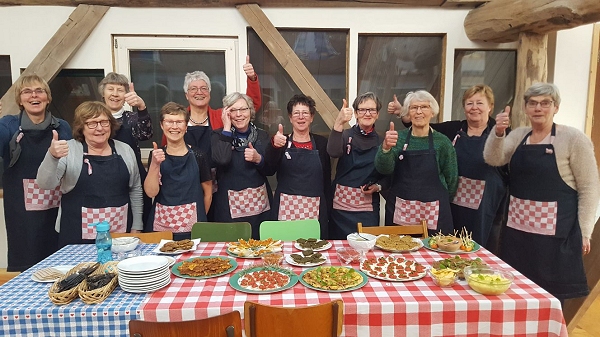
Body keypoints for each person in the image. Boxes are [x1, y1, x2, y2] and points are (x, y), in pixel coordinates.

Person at [483, 82, 600, 301]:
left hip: (554, 238)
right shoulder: (518, 136)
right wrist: (498, 133)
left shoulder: (574, 139)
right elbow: (493, 158)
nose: (539, 108)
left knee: (551, 298)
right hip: (517, 235)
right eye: (533, 103)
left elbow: (589, 187)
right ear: (526, 108)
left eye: (546, 103)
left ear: (556, 107)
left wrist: (585, 231)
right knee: (516, 293)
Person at [388, 85, 509, 250]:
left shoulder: (500, 132)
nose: (474, 108)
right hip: (456, 202)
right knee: (451, 247)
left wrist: (500, 133)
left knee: (480, 248)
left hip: (484, 207)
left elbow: (505, 165)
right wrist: (405, 111)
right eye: (469, 103)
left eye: (479, 103)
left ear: (490, 107)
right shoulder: (454, 129)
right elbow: (423, 127)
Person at [36, 101, 143, 247]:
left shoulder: (125, 150)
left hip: (120, 233)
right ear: (81, 127)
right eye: (92, 123)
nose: (99, 128)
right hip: (75, 235)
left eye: (104, 122)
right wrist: (52, 157)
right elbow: (45, 184)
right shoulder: (68, 150)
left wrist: (136, 226)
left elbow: (135, 190)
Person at [0, 75, 72, 271]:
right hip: (21, 210)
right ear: (20, 99)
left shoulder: (62, 126)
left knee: (59, 263)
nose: (34, 95)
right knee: (28, 262)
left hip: (56, 205)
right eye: (27, 92)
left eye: (39, 91)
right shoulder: (8, 125)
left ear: (47, 97)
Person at [375, 90, 457, 235]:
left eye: (424, 107)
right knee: (398, 252)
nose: (419, 112)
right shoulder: (397, 138)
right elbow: (384, 169)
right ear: (408, 113)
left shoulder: (443, 142)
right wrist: (386, 148)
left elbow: (451, 179)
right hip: (401, 212)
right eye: (414, 108)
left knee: (432, 252)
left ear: (432, 112)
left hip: (433, 212)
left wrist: (440, 200)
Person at [266, 94, 331, 239]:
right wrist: (274, 147)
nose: (301, 117)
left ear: (312, 117)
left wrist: (327, 211)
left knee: (314, 251)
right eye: (296, 113)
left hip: (315, 207)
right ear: (290, 117)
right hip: (286, 207)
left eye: (305, 113)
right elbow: (269, 169)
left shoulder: (321, 143)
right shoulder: (281, 142)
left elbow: (326, 180)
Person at [145, 102, 212, 240]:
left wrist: (198, 219)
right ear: (162, 125)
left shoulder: (199, 155)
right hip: (161, 227)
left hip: (193, 227)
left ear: (186, 126)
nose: (174, 127)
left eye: (179, 122)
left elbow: (208, 192)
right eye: (169, 121)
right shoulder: (156, 155)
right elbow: (151, 192)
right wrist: (154, 165)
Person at [211, 92, 274, 238]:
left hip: (259, 207)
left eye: (243, 109)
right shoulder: (218, 136)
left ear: (250, 111)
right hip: (229, 208)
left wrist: (259, 159)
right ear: (227, 113)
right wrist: (227, 129)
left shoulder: (262, 136)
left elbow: (271, 170)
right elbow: (222, 159)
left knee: (260, 248)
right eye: (233, 110)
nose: (239, 114)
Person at [98, 72, 153, 229]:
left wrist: (142, 107)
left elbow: (146, 134)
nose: (115, 94)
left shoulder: (132, 118)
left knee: (136, 223)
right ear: (103, 93)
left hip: (133, 179)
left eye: (120, 90)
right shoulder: (94, 118)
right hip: (104, 177)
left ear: (126, 94)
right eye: (111, 89)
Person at [327, 92, 384, 239]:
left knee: (366, 247)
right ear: (356, 113)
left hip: (367, 207)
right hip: (341, 206)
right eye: (362, 109)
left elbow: (389, 172)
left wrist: (378, 186)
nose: (367, 113)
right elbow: (333, 152)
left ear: (377, 114)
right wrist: (338, 123)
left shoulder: (382, 141)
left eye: (371, 110)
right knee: (339, 248)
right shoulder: (345, 135)